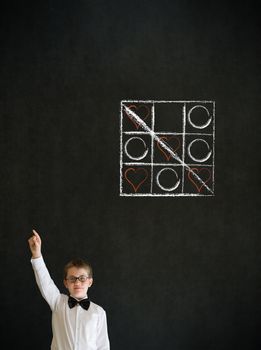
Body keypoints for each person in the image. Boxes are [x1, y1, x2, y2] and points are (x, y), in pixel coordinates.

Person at [28, 229, 110, 350]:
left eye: (82, 278)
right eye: (72, 278)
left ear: (90, 282)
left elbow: (103, 346)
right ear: (65, 283)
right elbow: (45, 282)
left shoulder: (98, 312)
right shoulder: (58, 302)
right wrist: (37, 255)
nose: (77, 282)